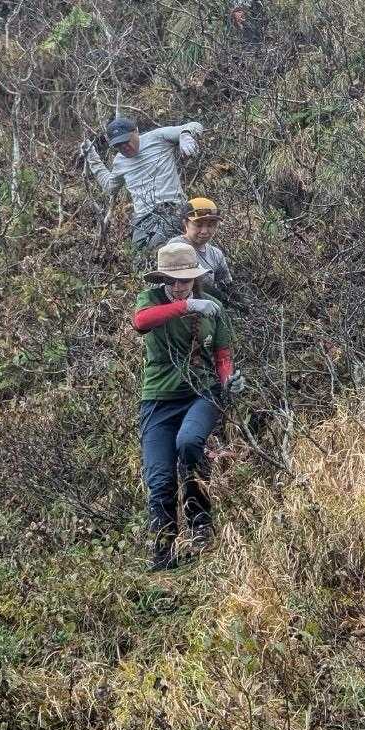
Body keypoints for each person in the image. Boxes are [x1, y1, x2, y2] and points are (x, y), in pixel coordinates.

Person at [132, 239, 246, 571]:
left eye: (186, 280)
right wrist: (187, 306)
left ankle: (200, 524)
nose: (180, 286)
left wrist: (229, 379)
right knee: (159, 477)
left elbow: (222, 354)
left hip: (201, 392)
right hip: (157, 399)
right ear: (163, 279)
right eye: (173, 280)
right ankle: (163, 554)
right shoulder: (151, 300)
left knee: (189, 442)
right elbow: (142, 322)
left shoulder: (213, 306)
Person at [81, 116, 203, 251]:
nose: (124, 147)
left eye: (126, 141)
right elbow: (110, 187)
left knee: (159, 247)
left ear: (136, 131)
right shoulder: (119, 161)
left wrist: (185, 135)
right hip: (142, 219)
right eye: (118, 145)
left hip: (171, 209)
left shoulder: (158, 137)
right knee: (137, 255)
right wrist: (92, 157)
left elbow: (195, 125)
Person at [178, 197, 234, 301]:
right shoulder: (177, 247)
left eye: (210, 225)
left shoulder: (216, 254)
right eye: (198, 225)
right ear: (185, 223)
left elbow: (227, 286)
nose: (204, 231)